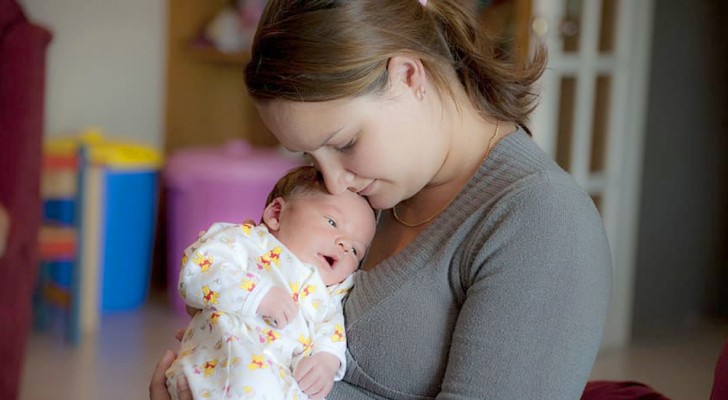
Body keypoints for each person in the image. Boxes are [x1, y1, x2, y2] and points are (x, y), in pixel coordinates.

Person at [152, 1, 612, 398]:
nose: (333, 182)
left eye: (346, 142)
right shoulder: (377, 195)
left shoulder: (540, 221)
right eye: (310, 156)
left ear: (409, 76)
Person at [165, 166, 376, 400]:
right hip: (216, 369)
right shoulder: (247, 242)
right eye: (332, 222)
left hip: (276, 383)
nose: (345, 245)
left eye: (356, 249)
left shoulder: (331, 292)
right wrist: (257, 294)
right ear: (276, 214)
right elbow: (197, 271)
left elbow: (332, 329)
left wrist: (326, 360)